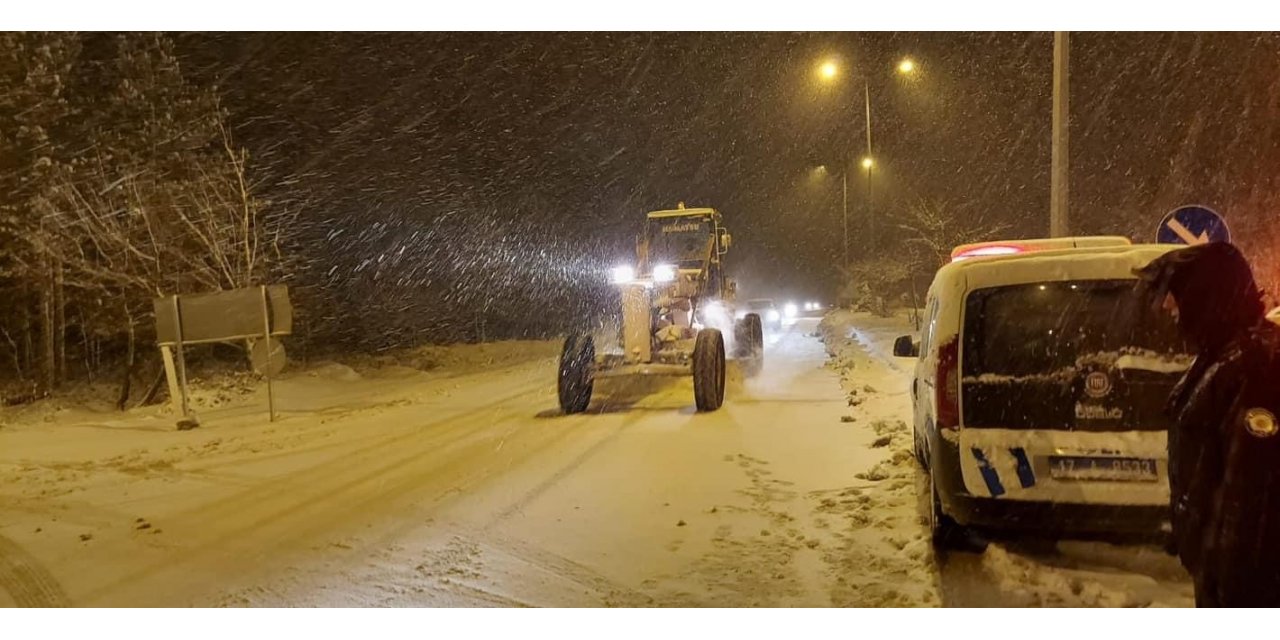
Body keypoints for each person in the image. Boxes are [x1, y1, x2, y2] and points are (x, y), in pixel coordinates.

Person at [1135, 242, 1280, 607]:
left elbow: (1249, 495)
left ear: (1206, 297)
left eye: (1177, 297)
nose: (1170, 310)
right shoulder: (1221, 355)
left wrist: (1233, 591)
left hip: (1244, 587)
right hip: (1219, 571)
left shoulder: (1253, 366)